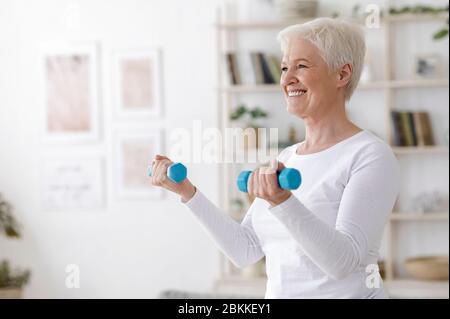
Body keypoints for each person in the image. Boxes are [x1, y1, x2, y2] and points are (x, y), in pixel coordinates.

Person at [150, 17, 399, 298]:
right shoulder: (286, 157)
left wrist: (282, 201)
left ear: (342, 75)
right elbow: (245, 250)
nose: (286, 78)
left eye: (301, 66)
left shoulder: (370, 155)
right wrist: (187, 192)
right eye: (284, 68)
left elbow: (343, 262)